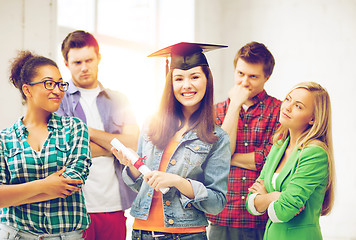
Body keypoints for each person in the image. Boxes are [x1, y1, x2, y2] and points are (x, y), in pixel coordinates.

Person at [112, 42, 231, 240]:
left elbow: (216, 203)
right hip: (141, 232)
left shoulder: (217, 138)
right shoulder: (151, 124)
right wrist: (131, 166)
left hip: (186, 235)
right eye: (179, 78)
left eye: (195, 77)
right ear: (171, 83)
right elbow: (141, 185)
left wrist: (178, 182)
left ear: (207, 80)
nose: (186, 85)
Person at [56, 30, 139, 240]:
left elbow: (134, 144)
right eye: (77, 62)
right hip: (74, 208)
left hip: (114, 205)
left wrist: (86, 131)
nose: (84, 67)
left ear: (99, 58)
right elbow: (63, 152)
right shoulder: (57, 100)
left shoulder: (120, 100)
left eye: (89, 60)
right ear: (66, 64)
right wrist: (116, 145)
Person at [0, 51, 91, 239]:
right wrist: (45, 185)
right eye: (49, 83)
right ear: (28, 90)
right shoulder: (5, 139)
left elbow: (71, 183)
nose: (58, 90)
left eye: (60, 84)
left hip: (66, 235)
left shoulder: (75, 128)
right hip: (15, 234)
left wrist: (13, 196)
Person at [207, 41, 281, 240]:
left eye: (253, 76)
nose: (244, 82)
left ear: (267, 77)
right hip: (222, 215)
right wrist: (235, 106)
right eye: (240, 74)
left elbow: (270, 159)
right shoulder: (216, 111)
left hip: (259, 216)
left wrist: (224, 157)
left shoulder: (280, 111)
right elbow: (213, 159)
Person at [246, 82, 335, 240]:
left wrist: (265, 197)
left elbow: (283, 212)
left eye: (298, 106)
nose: (286, 107)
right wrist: (275, 196)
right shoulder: (279, 145)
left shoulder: (315, 153)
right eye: (287, 99)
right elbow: (251, 203)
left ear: (313, 119)